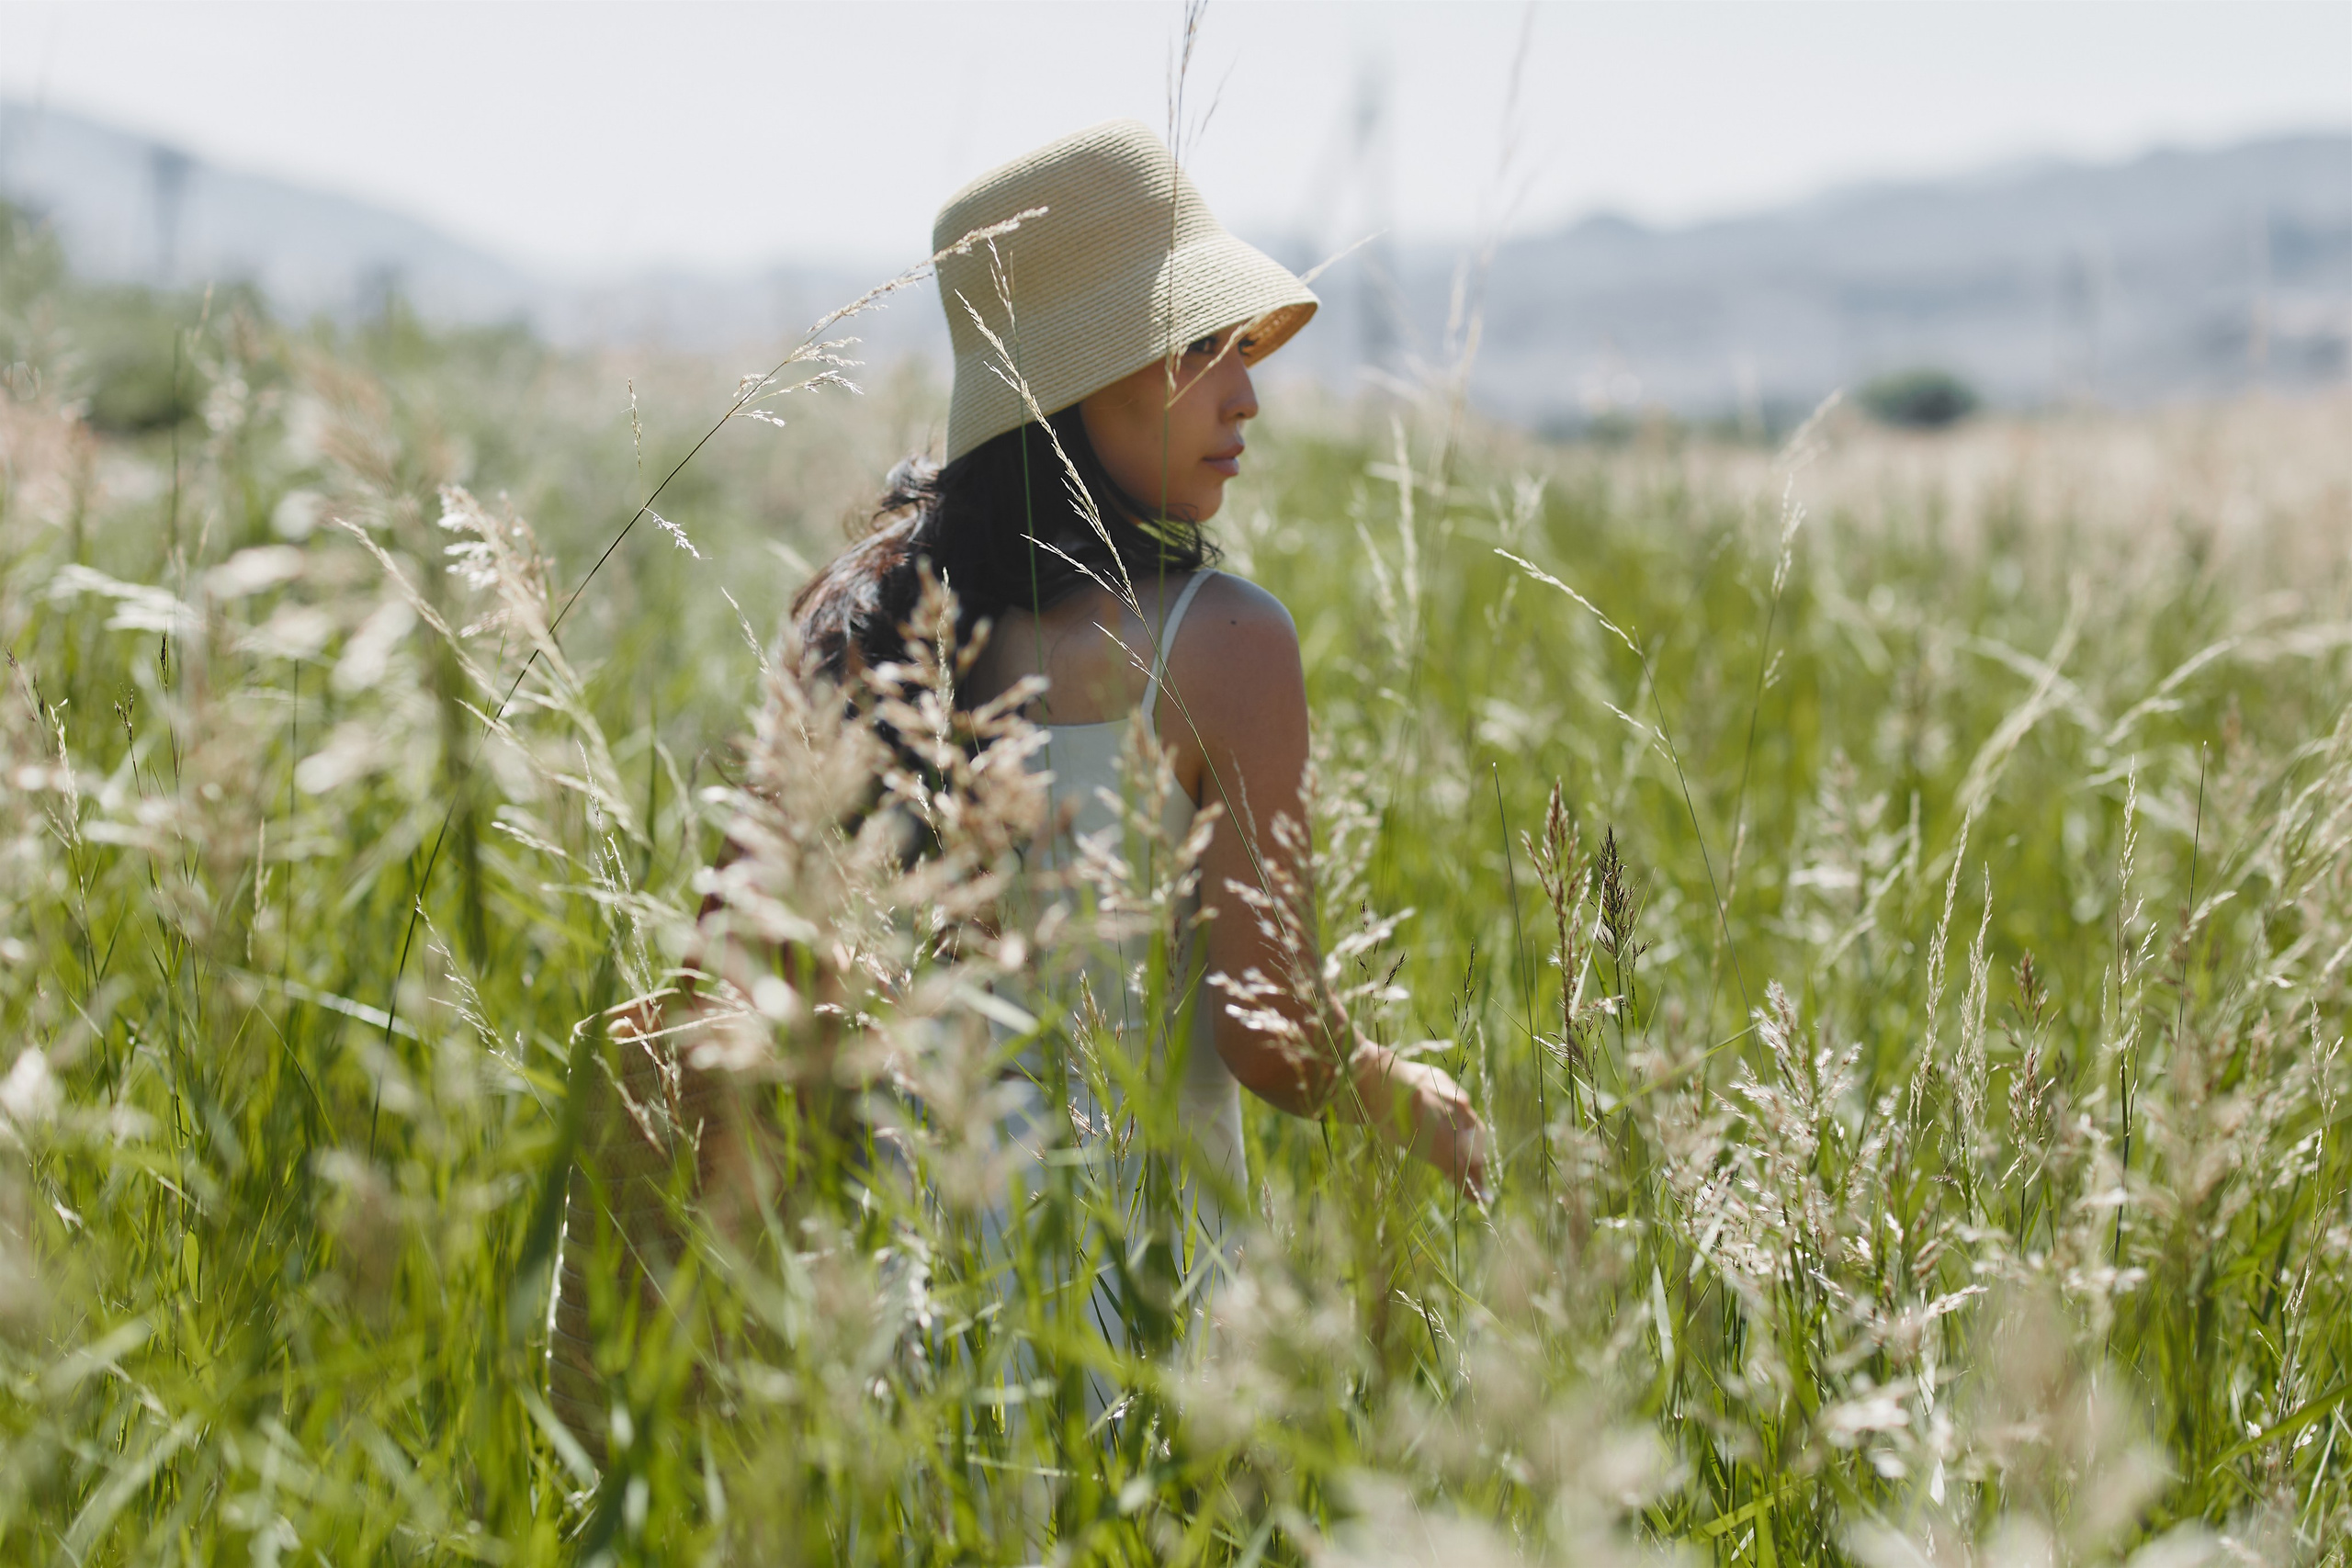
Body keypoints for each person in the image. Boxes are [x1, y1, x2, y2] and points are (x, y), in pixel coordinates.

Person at [792, 119, 1487, 1209]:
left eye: (1238, 347)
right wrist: (1413, 1099)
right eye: (1194, 348)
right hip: (1131, 1306)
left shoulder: (867, 625)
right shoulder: (1223, 644)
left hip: (904, 1295)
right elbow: (1271, 1037)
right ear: (1074, 383)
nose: (1244, 393)